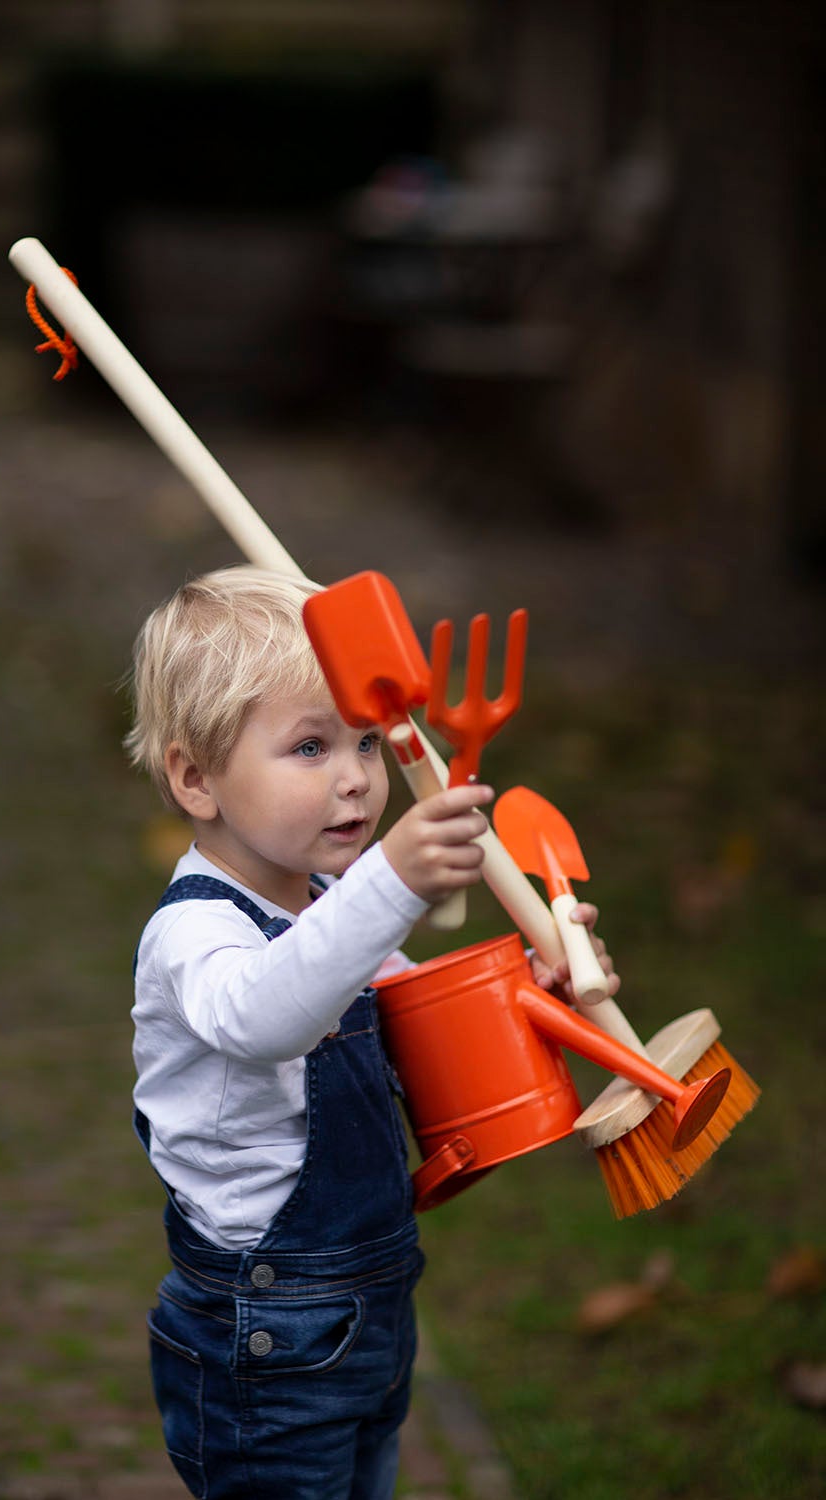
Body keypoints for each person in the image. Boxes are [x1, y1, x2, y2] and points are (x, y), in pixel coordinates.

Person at [126, 565, 617, 1500]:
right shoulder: (195, 933)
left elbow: (411, 1010)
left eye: (365, 740)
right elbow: (267, 1016)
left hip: (372, 1303)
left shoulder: (326, 903)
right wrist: (391, 882)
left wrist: (535, 978)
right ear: (196, 777)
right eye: (310, 748)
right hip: (266, 1324)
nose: (356, 777)